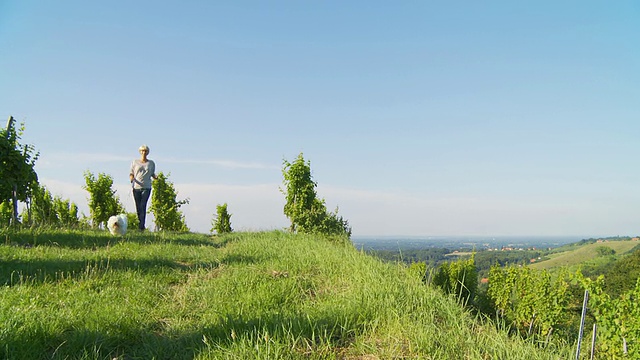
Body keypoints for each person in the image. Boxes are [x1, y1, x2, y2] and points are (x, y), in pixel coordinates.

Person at [130, 144, 157, 231]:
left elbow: (152, 173)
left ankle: (142, 226)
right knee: (138, 207)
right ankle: (140, 224)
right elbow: (131, 173)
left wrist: (156, 177)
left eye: (145, 151)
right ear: (140, 152)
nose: (144, 152)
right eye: (142, 151)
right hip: (136, 187)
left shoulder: (151, 163)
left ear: (147, 152)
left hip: (146, 187)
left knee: (143, 205)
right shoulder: (135, 162)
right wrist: (131, 178)